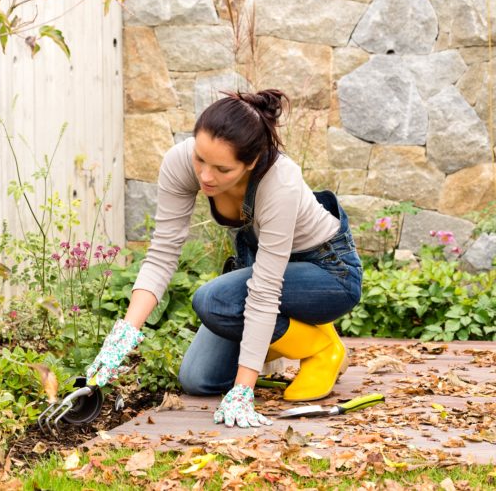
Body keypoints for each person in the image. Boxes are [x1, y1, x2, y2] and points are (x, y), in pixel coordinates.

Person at [85, 89, 363, 428]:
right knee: (199, 380)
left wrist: (243, 391)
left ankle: (321, 347)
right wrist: (124, 334)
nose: (205, 176)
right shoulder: (180, 162)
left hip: (328, 275)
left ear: (252, 161)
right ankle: (296, 335)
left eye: (222, 169)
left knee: (214, 300)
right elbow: (161, 254)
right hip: (266, 273)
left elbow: (263, 290)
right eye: (200, 159)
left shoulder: (280, 181)